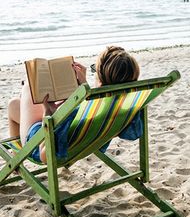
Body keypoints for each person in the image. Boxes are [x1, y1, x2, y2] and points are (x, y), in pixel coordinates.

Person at [8, 46, 141, 163]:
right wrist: (83, 90)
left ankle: (15, 162)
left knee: (22, 93)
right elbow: (132, 133)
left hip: (39, 143)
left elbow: (46, 156)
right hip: (83, 145)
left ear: (99, 79)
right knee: (17, 103)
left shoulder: (77, 113)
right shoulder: (128, 107)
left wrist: (48, 114)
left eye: (95, 70)